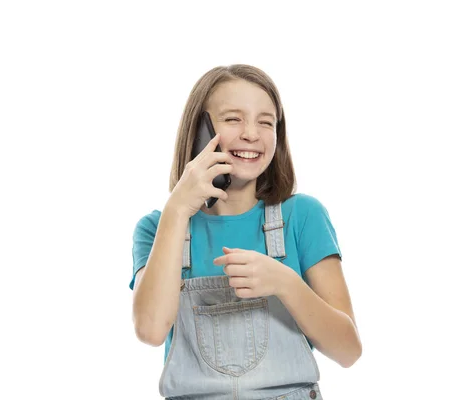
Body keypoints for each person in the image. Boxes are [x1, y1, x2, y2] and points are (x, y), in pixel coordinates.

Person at [130, 64, 362, 399]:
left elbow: (348, 351)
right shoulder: (158, 227)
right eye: (233, 118)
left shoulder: (303, 216)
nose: (251, 133)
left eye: (265, 121)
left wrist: (285, 283)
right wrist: (178, 207)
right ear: (200, 131)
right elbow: (150, 330)